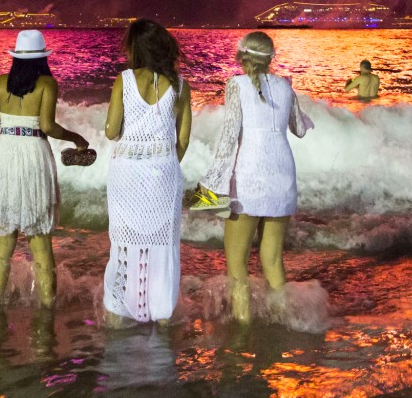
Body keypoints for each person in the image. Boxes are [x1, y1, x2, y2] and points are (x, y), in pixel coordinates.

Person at [194, 31, 312, 324]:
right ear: (271, 58)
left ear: (242, 57)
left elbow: (229, 137)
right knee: (273, 261)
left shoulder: (236, 85)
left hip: (250, 174)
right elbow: (298, 128)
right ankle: (287, 323)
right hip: (282, 173)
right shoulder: (285, 85)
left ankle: (243, 330)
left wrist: (212, 185)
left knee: (237, 266)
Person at [0, 29, 90, 307]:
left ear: (15, 57)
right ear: (42, 59)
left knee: (4, 242)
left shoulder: (0, 84)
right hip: (33, 154)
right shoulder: (48, 84)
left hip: (5, 154)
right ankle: (48, 307)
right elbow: (48, 126)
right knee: (40, 242)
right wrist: (77, 138)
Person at [103, 19, 192, 324]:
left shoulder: (123, 80)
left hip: (125, 174)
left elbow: (112, 131)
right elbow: (182, 140)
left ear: (135, 48)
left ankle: (119, 313)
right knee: (163, 245)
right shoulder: (180, 85)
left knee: (123, 242)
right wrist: (164, 163)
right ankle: (162, 316)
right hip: (164, 172)